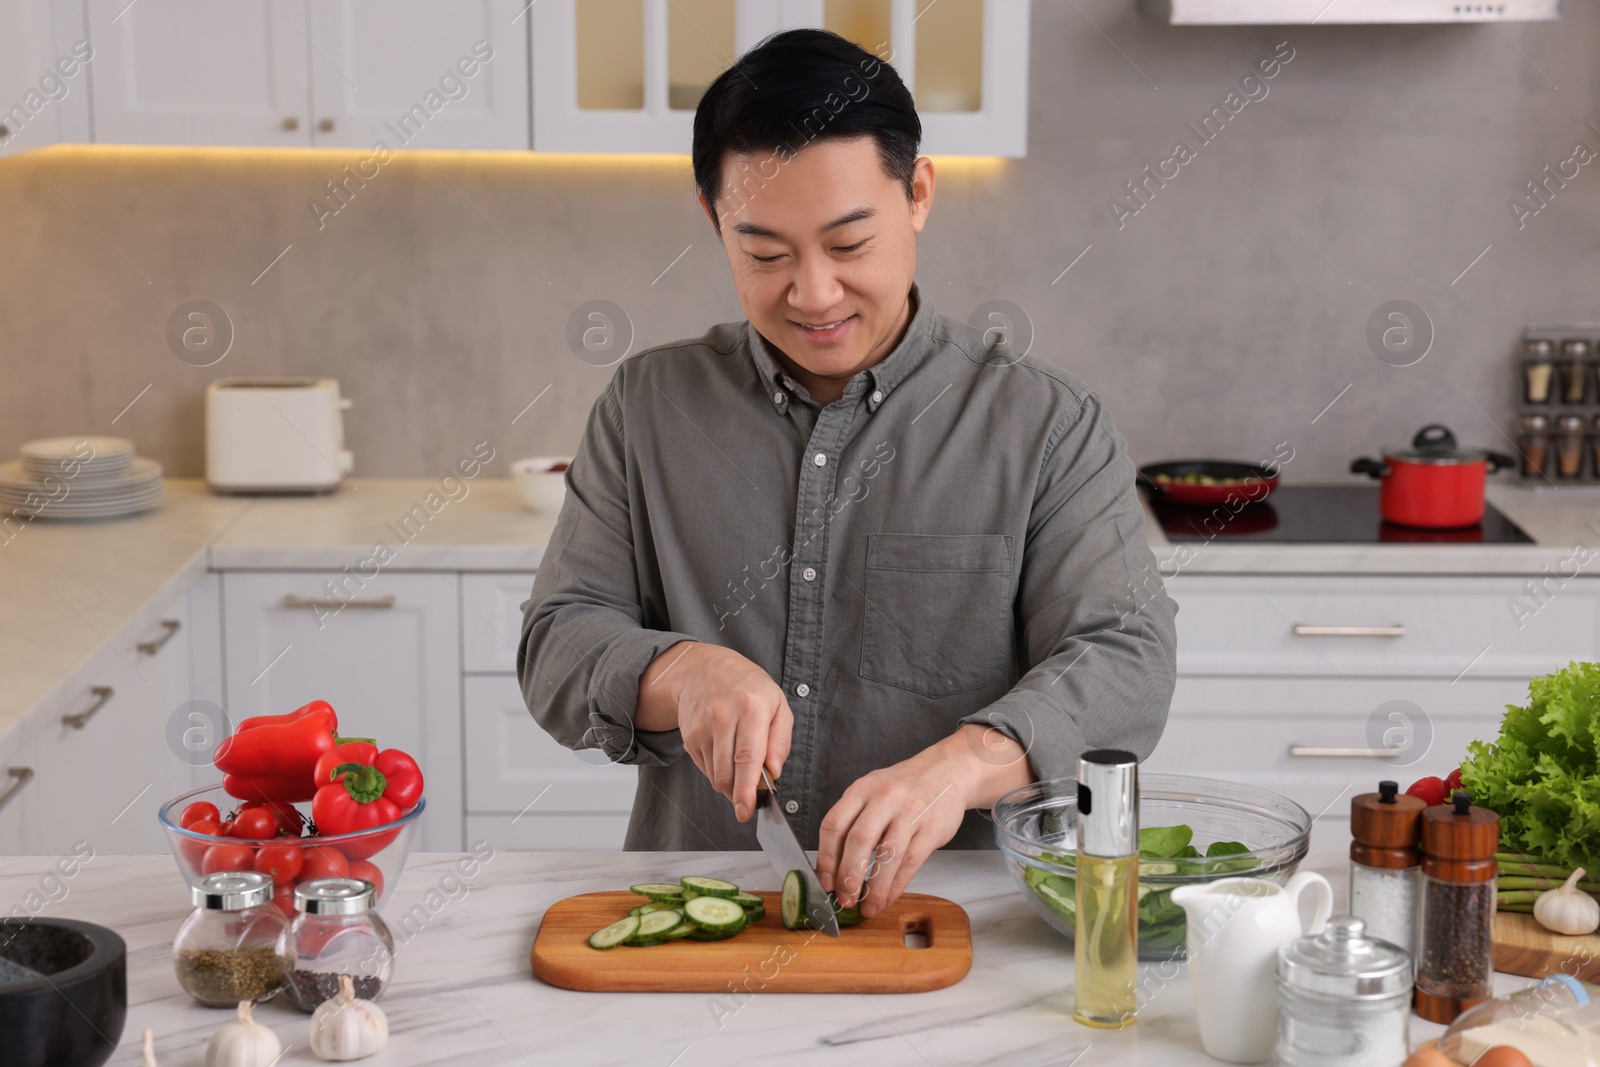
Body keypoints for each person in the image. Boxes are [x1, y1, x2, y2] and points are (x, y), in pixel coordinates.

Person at [519, 28, 1177, 919]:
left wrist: (963, 764)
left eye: (848, 243)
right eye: (766, 254)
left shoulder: (1046, 426)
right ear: (714, 219)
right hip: (702, 918)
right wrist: (682, 672)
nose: (815, 293)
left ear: (917, 195)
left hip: (953, 921)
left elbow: (1126, 658)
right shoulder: (647, 405)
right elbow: (556, 639)